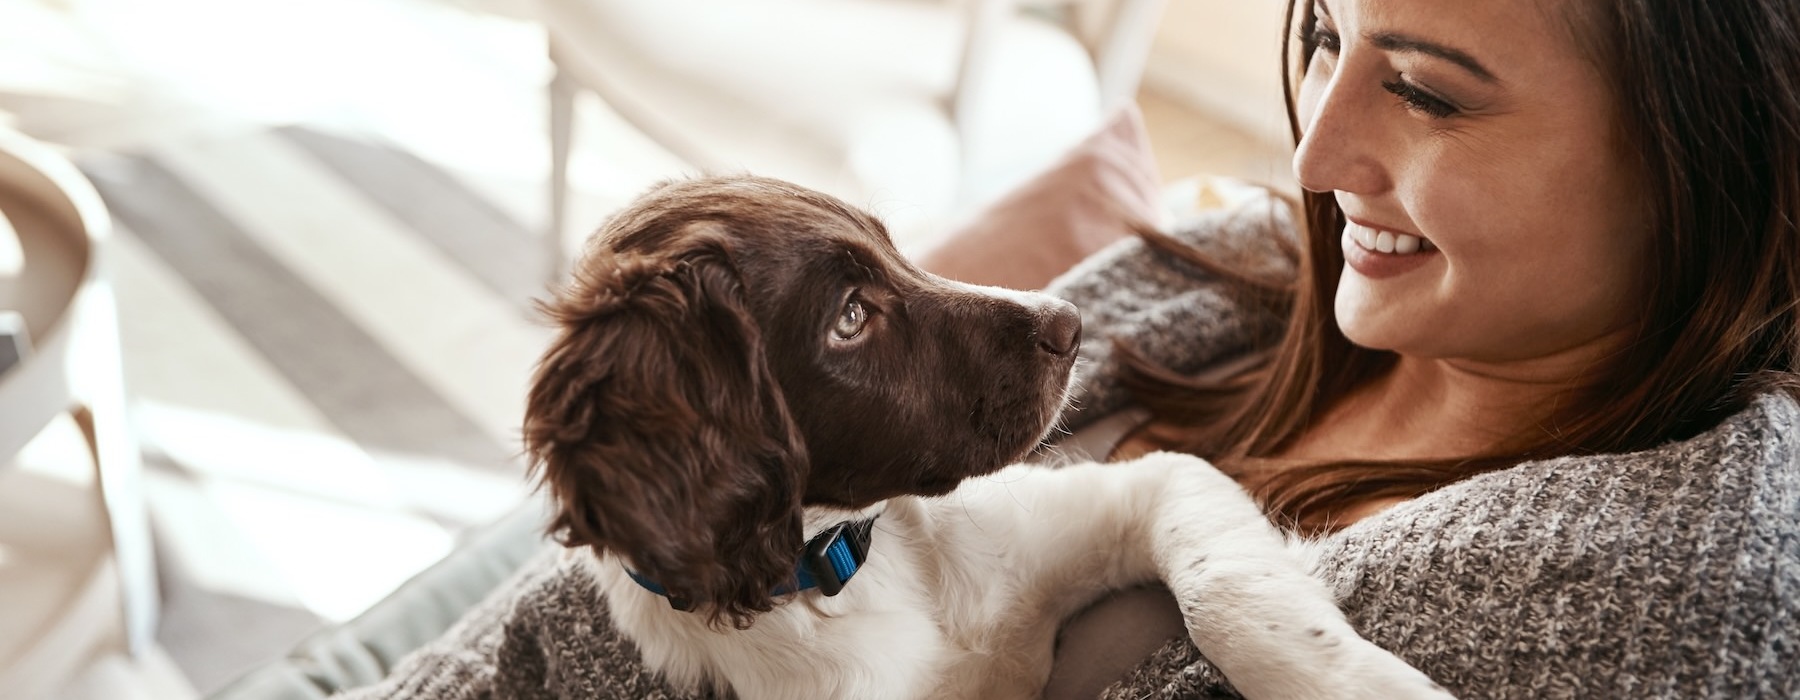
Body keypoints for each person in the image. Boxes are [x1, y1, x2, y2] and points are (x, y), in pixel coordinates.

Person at [337, 0, 1798, 697]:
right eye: (1323, 32)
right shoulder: (1244, 266)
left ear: (1715, 155)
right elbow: (608, 578)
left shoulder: (1667, 604)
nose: (1318, 149)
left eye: (1425, 92)